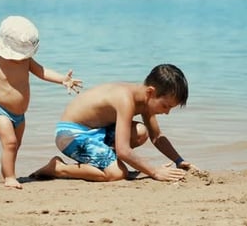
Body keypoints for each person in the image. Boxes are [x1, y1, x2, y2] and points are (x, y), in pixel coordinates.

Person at [0, 16, 82, 189]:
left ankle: (5, 175)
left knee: (15, 146)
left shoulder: (26, 61)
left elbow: (42, 71)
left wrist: (62, 79)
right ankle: (10, 178)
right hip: (1, 111)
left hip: (20, 115)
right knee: (10, 143)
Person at [31, 64, 195, 182]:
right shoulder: (125, 99)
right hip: (71, 134)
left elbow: (157, 137)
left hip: (96, 132)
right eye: (165, 106)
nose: (166, 112)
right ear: (151, 92)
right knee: (117, 174)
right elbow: (123, 150)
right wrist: (154, 172)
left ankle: (104, 162)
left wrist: (179, 160)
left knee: (140, 132)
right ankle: (58, 168)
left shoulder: (145, 100)